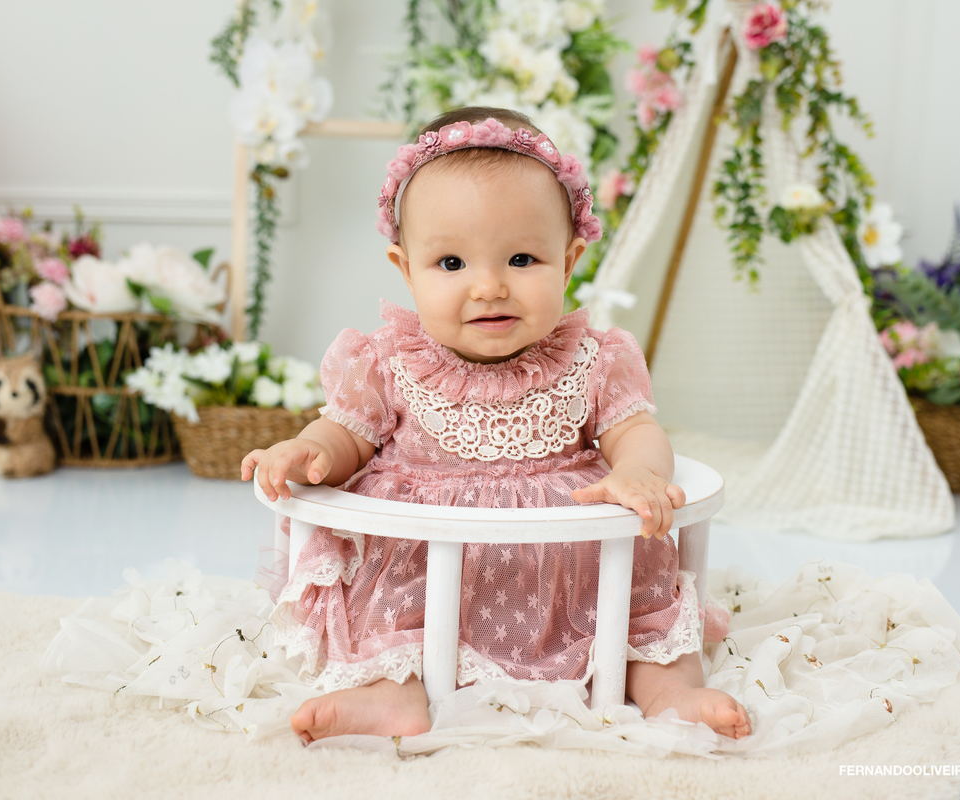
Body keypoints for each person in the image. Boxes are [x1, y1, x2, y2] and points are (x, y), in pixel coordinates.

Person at [241, 106, 751, 745]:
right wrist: (308, 450)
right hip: (422, 567)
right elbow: (347, 436)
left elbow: (634, 429)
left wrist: (639, 473)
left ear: (569, 261)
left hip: (571, 567)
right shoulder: (389, 362)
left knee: (638, 613)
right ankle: (389, 695)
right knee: (386, 614)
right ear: (405, 269)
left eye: (521, 258)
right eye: (452, 264)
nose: (488, 287)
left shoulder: (595, 358)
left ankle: (670, 690)